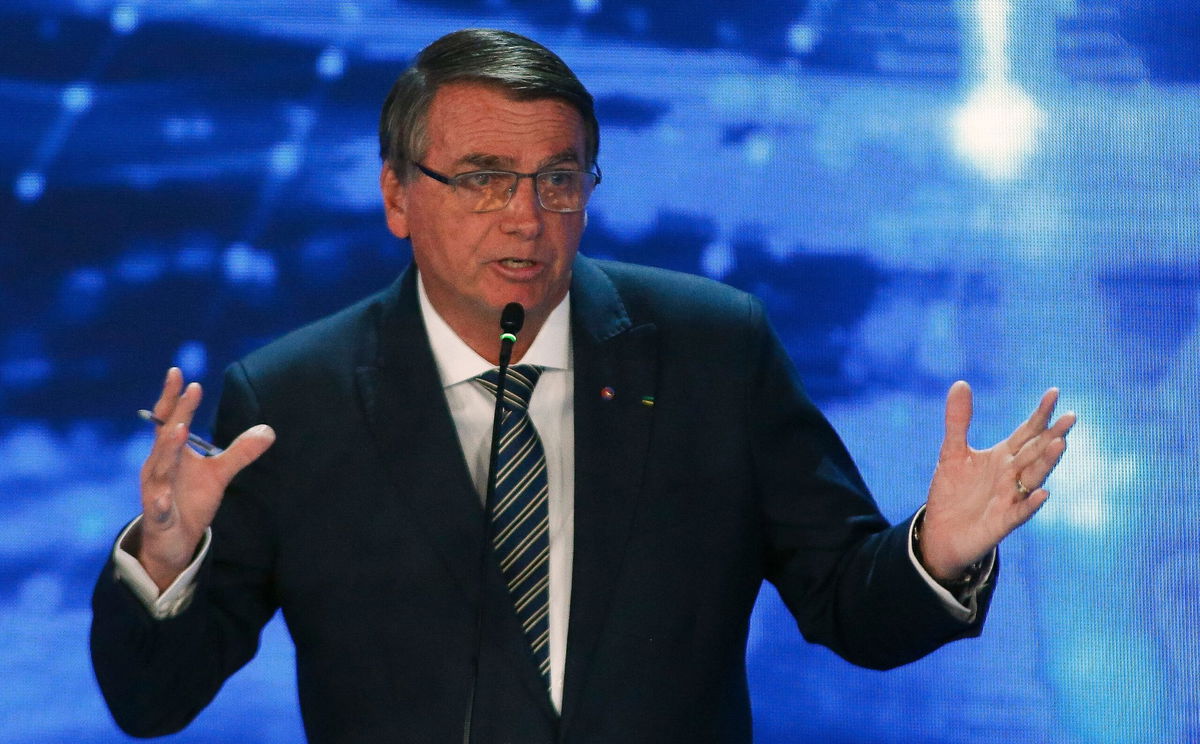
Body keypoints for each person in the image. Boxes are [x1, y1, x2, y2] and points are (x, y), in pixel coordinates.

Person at [90, 28, 1076, 744]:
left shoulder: (712, 351)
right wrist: (166, 562)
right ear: (396, 194)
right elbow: (153, 702)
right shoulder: (292, 399)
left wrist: (938, 552)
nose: (526, 217)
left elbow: (849, 608)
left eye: (558, 180)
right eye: (482, 177)